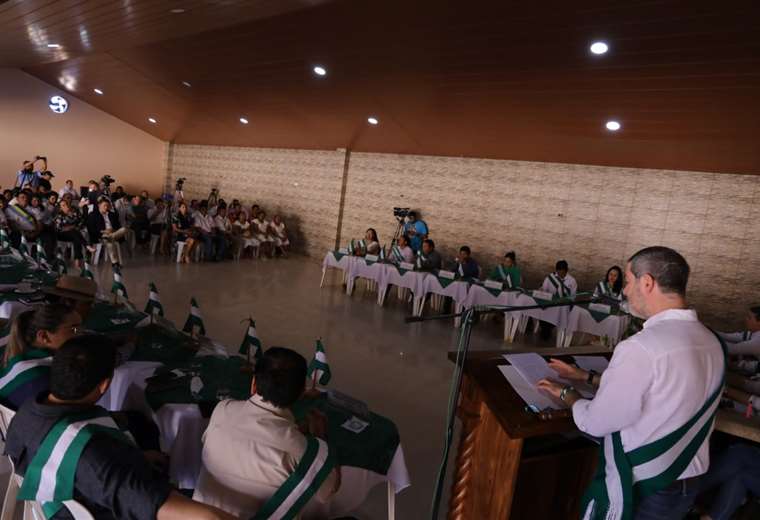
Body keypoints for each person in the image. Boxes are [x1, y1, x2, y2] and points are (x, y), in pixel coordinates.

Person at [538, 246, 724, 520]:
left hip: (648, 487)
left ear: (647, 282)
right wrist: (586, 376)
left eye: (627, 281)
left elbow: (598, 422)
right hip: (687, 481)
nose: (625, 290)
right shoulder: (712, 341)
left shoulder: (641, 347)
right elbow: (665, 391)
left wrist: (568, 394)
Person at [5, 335, 236, 520]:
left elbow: (82, 465)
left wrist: (139, 457)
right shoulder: (102, 458)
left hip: (58, 503)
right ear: (104, 385)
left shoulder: (27, 412)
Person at [194, 347, 340, 517]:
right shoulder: (306, 451)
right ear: (301, 393)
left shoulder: (222, 409)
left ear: (254, 384)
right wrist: (320, 437)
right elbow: (329, 491)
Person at [0, 304, 81, 410]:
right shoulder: (50, 380)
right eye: (74, 329)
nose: (80, 334)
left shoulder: (15, 359)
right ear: (44, 336)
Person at [86, 198, 127, 267]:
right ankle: (115, 263)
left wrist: (112, 230)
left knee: (124, 229)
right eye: (104, 205)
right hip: (101, 235)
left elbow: (118, 226)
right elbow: (91, 229)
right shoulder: (93, 214)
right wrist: (104, 231)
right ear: (99, 205)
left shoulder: (112, 214)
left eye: (107, 206)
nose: (106, 207)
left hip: (113, 233)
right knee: (109, 241)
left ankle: (110, 237)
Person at [54, 198, 87, 267]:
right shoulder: (59, 215)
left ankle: (77, 259)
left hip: (74, 234)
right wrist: (70, 228)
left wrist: (73, 227)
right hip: (62, 235)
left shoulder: (75, 211)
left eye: (66, 205)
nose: (65, 207)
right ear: (60, 208)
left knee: (75, 236)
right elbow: (58, 228)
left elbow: (81, 221)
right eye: (63, 206)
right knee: (75, 233)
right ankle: (86, 246)